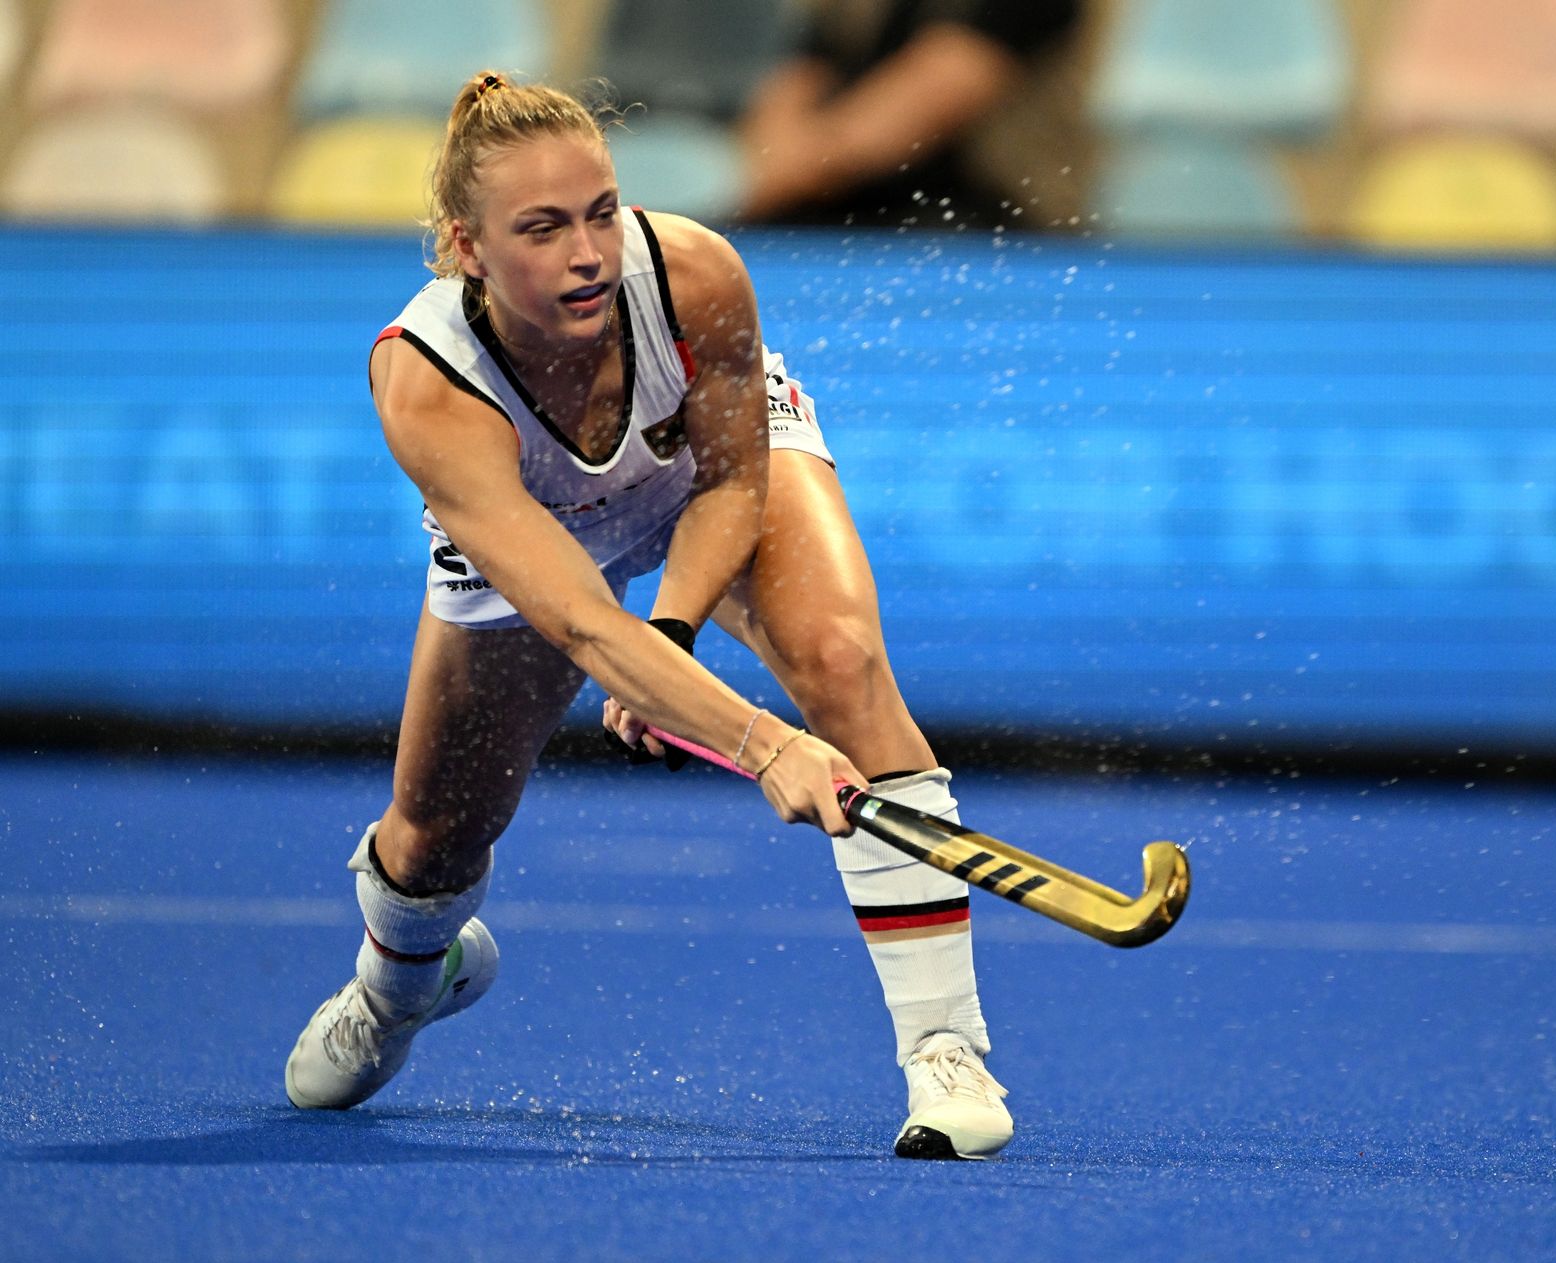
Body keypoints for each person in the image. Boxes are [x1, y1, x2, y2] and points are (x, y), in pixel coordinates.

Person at [283, 71, 1014, 1161]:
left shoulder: (692, 274)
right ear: (468, 247)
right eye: (542, 229)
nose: (588, 255)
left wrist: (669, 639)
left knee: (840, 658)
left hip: (691, 478)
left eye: (600, 213)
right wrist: (766, 746)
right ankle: (398, 989)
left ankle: (945, 1048)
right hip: (542, 531)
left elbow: (730, 483)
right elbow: (581, 623)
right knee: (435, 837)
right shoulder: (427, 382)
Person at [734, 0, 1086, 230]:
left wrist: (746, 186)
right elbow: (795, 84)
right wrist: (765, 167)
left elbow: (861, 143)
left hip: (995, 241)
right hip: (836, 225)